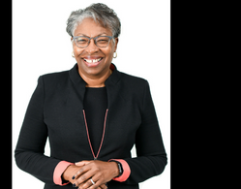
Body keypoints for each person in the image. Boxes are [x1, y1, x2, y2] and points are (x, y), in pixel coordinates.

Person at [14, 3, 167, 189]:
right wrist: (71, 172)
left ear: (115, 43)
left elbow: (156, 159)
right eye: (82, 40)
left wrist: (115, 168)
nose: (92, 49)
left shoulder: (137, 89)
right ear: (73, 43)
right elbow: (24, 154)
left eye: (102, 40)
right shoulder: (49, 86)